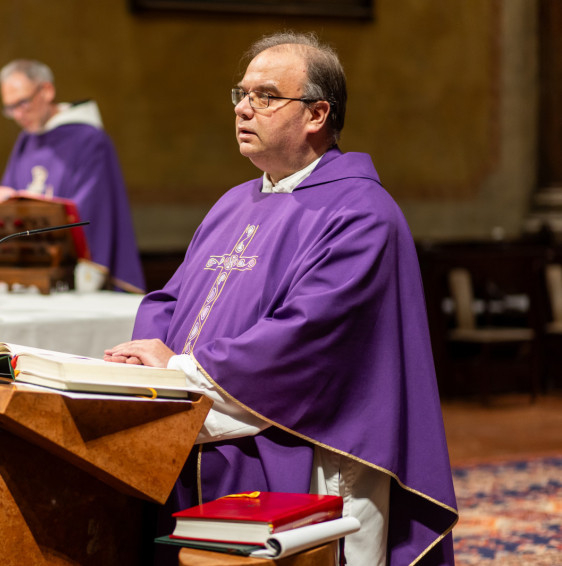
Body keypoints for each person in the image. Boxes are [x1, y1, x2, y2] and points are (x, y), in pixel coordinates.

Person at [105, 31, 458, 565]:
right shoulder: (233, 203)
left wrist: (179, 370)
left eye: (265, 96)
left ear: (317, 114)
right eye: (241, 94)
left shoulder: (361, 214)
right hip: (194, 434)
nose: (243, 108)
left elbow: (309, 337)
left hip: (294, 445)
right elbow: (171, 299)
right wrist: (147, 355)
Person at [0, 59, 145, 292]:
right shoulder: (26, 140)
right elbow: (7, 199)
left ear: (47, 91)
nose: (18, 114)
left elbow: (91, 211)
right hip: (30, 272)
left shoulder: (88, 139)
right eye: (10, 108)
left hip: (71, 273)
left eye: (23, 103)